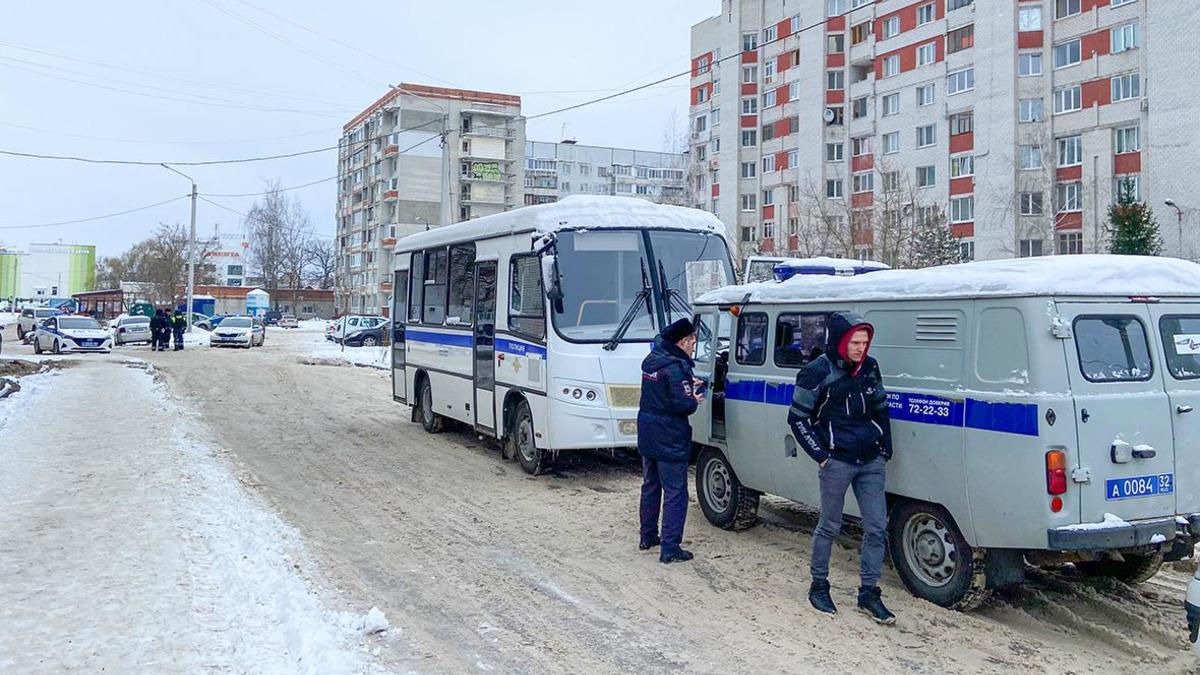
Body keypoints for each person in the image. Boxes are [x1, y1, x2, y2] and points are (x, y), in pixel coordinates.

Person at [787, 311, 895, 625]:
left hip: (871, 460)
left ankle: (869, 593)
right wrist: (821, 455)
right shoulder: (816, 372)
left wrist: (885, 445)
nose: (862, 348)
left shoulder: (870, 367)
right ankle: (819, 585)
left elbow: (881, 406)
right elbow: (797, 418)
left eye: (865, 342)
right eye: (855, 342)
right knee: (829, 525)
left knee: (877, 527)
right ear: (841, 341)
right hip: (837, 461)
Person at [637, 317, 704, 564]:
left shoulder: (653, 362)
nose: (693, 346)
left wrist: (686, 383)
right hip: (670, 436)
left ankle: (647, 536)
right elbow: (683, 404)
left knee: (650, 485)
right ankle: (670, 547)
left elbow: (665, 389)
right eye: (692, 342)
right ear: (683, 341)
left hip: (648, 432)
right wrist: (693, 398)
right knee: (676, 492)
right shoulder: (675, 367)